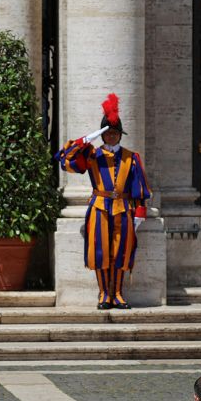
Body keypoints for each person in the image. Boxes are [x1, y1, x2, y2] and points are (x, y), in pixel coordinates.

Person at [56, 93, 152, 309]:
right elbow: (66, 160)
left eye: (115, 133)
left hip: (124, 208)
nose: (111, 137)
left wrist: (140, 214)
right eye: (107, 133)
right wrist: (86, 139)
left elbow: (140, 189)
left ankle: (117, 293)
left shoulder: (131, 157)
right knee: (100, 251)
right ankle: (103, 294)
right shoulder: (92, 154)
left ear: (120, 135)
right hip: (99, 208)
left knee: (121, 252)